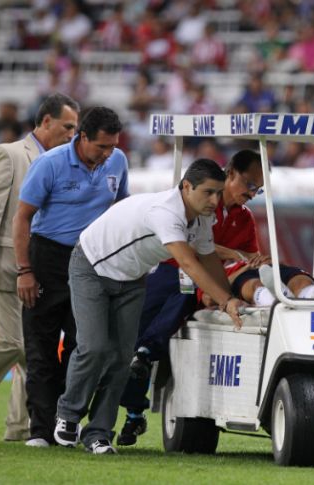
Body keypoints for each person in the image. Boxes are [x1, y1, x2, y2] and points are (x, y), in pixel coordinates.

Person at [53, 159, 245, 455]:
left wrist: (229, 298)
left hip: (132, 278)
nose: (215, 201)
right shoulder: (166, 213)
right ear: (186, 187)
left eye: (219, 193)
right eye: (208, 192)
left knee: (121, 357)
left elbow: (208, 258)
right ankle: (68, 414)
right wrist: (225, 300)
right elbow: (188, 262)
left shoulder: (204, 218)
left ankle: (98, 433)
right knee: (94, 347)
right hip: (91, 266)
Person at [117, 149, 267, 447]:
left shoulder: (245, 218)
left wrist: (238, 271)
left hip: (207, 281)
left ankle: (144, 367)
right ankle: (134, 408)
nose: (252, 193)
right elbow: (198, 250)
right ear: (230, 173)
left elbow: (248, 259)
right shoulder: (197, 206)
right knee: (133, 339)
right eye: (249, 185)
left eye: (258, 189)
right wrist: (235, 255)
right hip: (171, 268)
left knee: (184, 298)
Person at [12, 106, 129, 448]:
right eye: (101, 147)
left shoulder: (118, 162)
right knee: (41, 345)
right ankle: (40, 430)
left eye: (112, 147)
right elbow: (22, 219)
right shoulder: (49, 164)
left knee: (85, 347)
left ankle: (65, 421)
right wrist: (25, 271)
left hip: (93, 262)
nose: (107, 154)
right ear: (81, 138)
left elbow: (121, 210)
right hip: (48, 257)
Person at [0, 93, 80, 442]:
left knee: (33, 349)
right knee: (13, 343)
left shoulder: (65, 161)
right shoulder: (10, 154)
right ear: (45, 121)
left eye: (75, 129)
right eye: (67, 126)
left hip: (40, 269)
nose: (71, 134)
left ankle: (20, 427)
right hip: (3, 265)